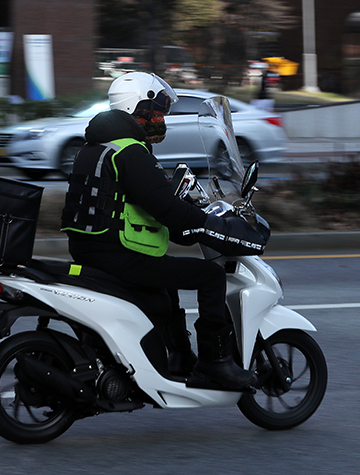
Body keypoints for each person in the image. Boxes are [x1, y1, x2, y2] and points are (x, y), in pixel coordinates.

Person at [61, 72, 261, 389]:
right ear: (137, 109)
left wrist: (188, 221)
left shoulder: (97, 148)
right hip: (118, 256)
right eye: (157, 112)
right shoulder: (130, 153)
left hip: (95, 250)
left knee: (167, 286)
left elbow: (150, 206)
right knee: (211, 276)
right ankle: (215, 362)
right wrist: (214, 225)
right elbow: (168, 209)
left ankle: (180, 356)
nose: (162, 119)